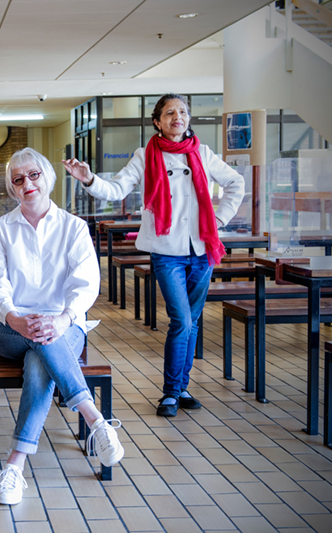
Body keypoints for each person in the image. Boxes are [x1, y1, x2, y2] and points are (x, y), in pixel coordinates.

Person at [64, 93, 244, 417]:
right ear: (158, 121)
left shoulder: (202, 153)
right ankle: (171, 393)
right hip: (167, 252)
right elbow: (118, 189)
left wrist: (218, 220)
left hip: (202, 250)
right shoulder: (146, 155)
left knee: (191, 324)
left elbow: (236, 183)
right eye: (171, 112)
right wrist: (89, 179)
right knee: (182, 320)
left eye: (183, 111)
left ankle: (181, 387)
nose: (179, 116)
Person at [0, 147, 124, 506]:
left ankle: (15, 467)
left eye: (34, 175)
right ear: (12, 189)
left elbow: (86, 283)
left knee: (38, 360)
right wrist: (14, 316)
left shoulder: (74, 228)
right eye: (18, 179)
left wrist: (61, 318)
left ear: (49, 178)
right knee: (36, 342)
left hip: (64, 325)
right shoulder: (1, 230)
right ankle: (95, 419)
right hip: (7, 327)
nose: (27, 183)